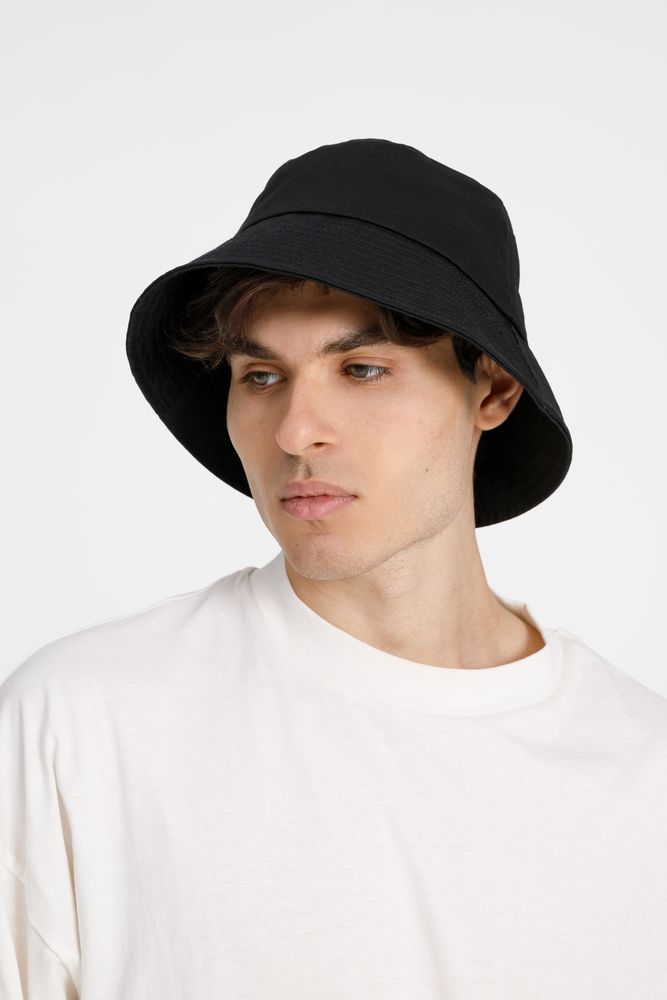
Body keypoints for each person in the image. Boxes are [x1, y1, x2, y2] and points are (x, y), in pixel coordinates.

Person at [1, 138, 666, 1000]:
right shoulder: (82, 723)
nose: (294, 432)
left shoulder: (641, 765)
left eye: (361, 369)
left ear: (491, 391)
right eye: (260, 376)